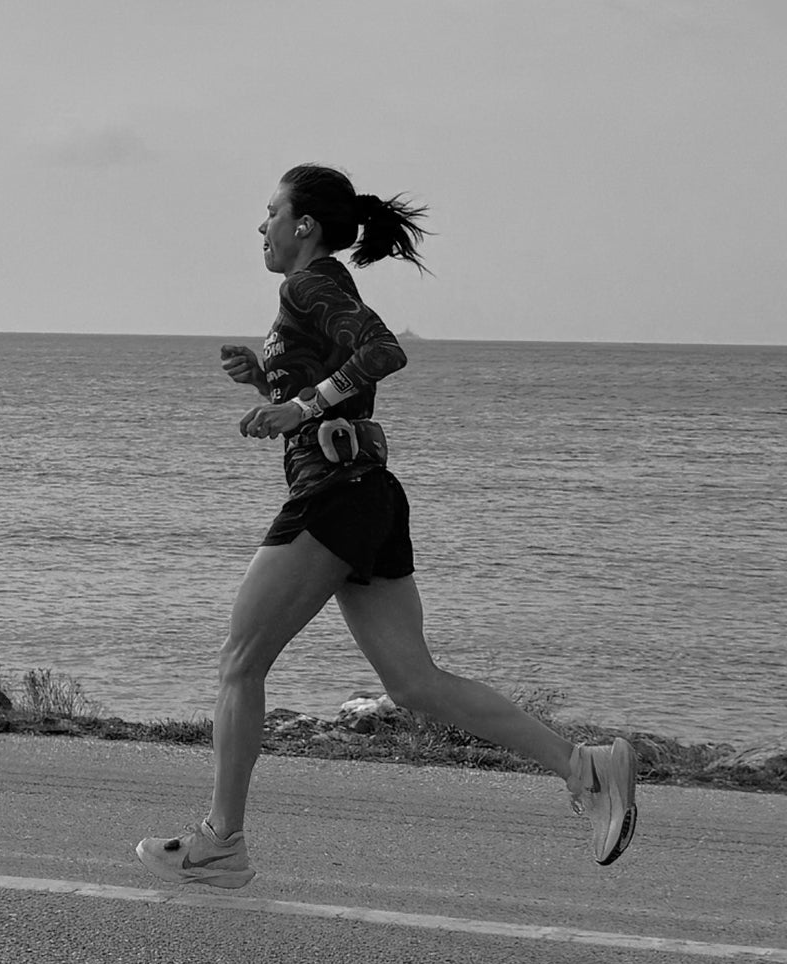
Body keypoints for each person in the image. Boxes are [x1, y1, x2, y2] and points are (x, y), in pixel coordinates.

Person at [136, 163, 637, 888]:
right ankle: (584, 767)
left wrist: (299, 408)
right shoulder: (322, 288)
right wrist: (264, 381)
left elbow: (382, 352)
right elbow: (341, 376)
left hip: (335, 495)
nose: (262, 225)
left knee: (240, 661)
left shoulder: (308, 284)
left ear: (302, 225)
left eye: (271, 211)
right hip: (369, 493)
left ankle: (221, 840)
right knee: (414, 681)